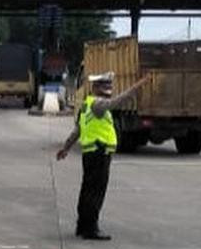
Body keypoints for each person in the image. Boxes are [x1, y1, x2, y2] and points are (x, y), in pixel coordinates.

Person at [55, 72, 148, 240]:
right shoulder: (98, 105)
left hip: (91, 153)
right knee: (95, 192)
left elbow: (78, 130)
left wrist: (66, 148)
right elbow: (116, 102)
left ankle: (82, 226)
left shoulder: (86, 105)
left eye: (109, 86)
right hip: (99, 152)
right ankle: (91, 228)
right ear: (96, 88)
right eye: (105, 86)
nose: (108, 89)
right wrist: (137, 87)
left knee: (87, 191)